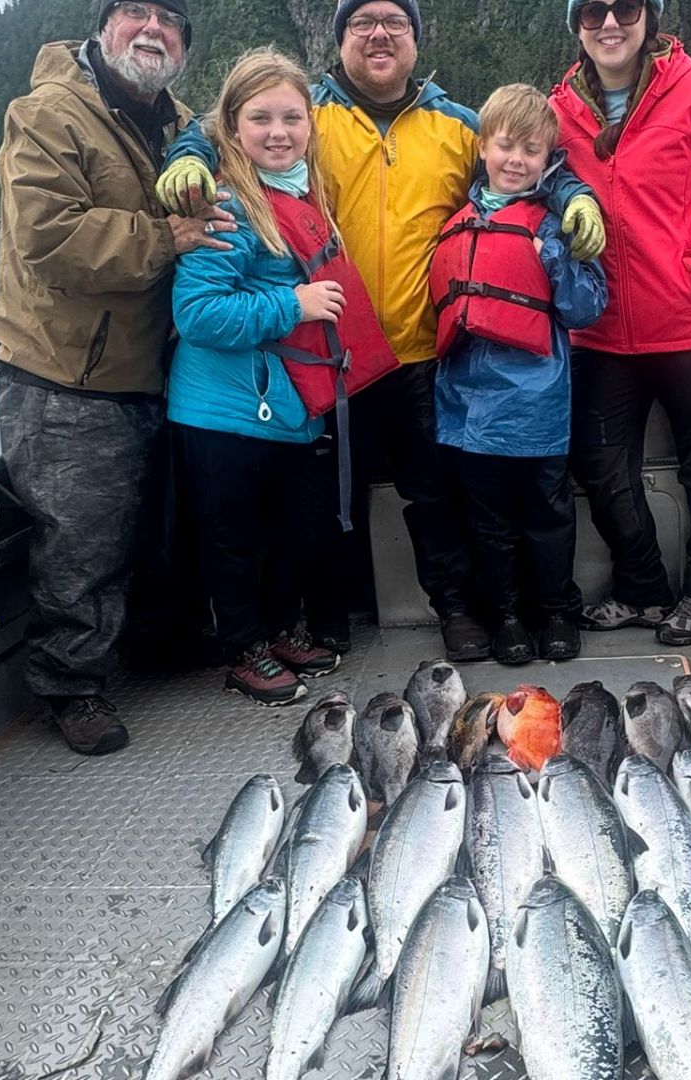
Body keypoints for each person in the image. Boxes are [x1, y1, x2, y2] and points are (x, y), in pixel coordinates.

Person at [154, 0, 608, 663]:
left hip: (424, 351)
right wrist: (187, 153)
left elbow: (530, 160)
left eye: (396, 21)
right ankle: (328, 619)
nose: (379, 34)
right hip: (331, 352)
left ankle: (455, 609)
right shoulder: (306, 113)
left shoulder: (460, 126)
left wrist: (576, 197)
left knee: (435, 496)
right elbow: (223, 124)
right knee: (330, 500)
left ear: (416, 40)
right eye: (361, 20)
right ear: (339, 39)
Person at [0, 0, 234, 754]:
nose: (152, 29)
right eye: (135, 12)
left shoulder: (183, 124)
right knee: (81, 542)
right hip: (68, 371)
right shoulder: (47, 114)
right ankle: (71, 687)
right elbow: (50, 236)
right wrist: (169, 236)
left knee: (160, 527)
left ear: (185, 46)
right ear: (105, 28)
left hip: (160, 367)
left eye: (169, 19)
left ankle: (158, 646)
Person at [170, 47, 398, 706]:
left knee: (295, 528)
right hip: (224, 409)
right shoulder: (224, 202)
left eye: (292, 118)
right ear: (232, 128)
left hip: (289, 409)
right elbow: (197, 313)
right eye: (260, 118)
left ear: (310, 126)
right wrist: (290, 305)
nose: (278, 132)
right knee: (234, 540)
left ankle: (275, 629)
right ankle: (242, 647)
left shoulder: (304, 193)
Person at [550, 0, 691, 645]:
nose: (609, 23)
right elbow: (533, 184)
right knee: (600, 465)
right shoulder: (558, 108)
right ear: (578, 24)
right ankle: (642, 587)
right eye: (593, 11)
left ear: (650, 17)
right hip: (599, 329)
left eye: (626, 7)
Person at [431, 84, 607, 664]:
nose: (516, 160)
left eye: (531, 151)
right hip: (466, 406)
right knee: (488, 524)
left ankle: (557, 610)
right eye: (506, 146)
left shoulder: (556, 222)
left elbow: (584, 308)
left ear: (548, 158)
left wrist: (553, 253)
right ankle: (505, 615)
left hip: (538, 405)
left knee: (548, 517)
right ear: (483, 147)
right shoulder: (454, 220)